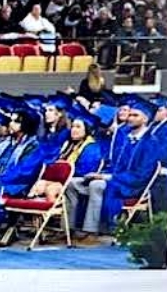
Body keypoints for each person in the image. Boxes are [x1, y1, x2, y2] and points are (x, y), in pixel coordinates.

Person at [66, 97, 161, 244]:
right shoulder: (125, 138)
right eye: (130, 114)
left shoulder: (151, 143)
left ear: (145, 119)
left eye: (135, 115)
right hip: (115, 178)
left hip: (132, 185)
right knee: (72, 183)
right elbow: (114, 164)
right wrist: (102, 174)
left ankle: (91, 231)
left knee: (96, 185)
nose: (129, 118)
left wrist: (106, 178)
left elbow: (142, 175)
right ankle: (71, 229)